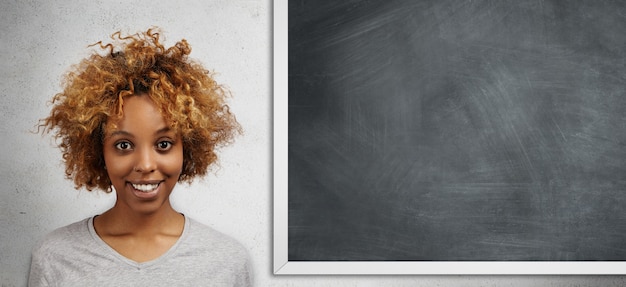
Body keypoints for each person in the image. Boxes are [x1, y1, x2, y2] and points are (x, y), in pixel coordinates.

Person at [29, 28, 251, 286]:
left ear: (187, 149)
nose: (145, 165)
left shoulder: (227, 261)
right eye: (123, 145)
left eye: (164, 144)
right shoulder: (56, 257)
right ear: (97, 151)